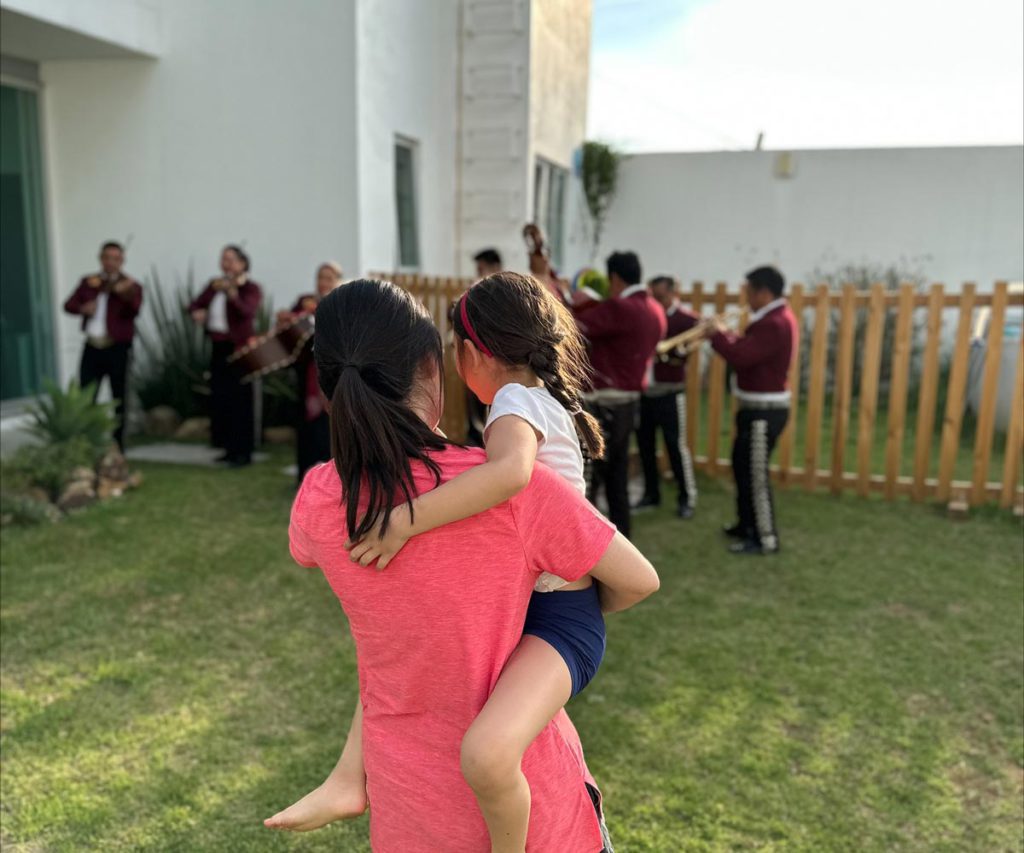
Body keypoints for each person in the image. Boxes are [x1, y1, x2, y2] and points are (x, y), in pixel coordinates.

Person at [264, 279, 659, 852]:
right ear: (432, 369)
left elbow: (310, 553)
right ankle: (347, 777)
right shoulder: (516, 495)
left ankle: (349, 777)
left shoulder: (321, 502)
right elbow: (638, 579)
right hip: (543, 820)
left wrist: (404, 520)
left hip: (407, 815)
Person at [570, 251, 666, 540]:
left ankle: (586, 540)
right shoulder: (655, 309)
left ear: (614, 278)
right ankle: (623, 539)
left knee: (589, 478)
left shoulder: (621, 308)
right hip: (629, 402)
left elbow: (574, 324)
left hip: (604, 404)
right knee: (618, 477)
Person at [707, 266, 797, 555]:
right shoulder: (769, 319)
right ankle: (746, 525)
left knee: (755, 475)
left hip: (764, 412)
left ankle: (764, 538)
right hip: (754, 408)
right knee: (742, 468)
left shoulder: (775, 322)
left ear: (764, 292)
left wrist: (718, 336)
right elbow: (749, 348)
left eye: (748, 291)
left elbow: (742, 356)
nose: (745, 298)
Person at [63, 241, 142, 450]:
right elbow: (68, 305)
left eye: (116, 259)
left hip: (117, 347)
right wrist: (83, 308)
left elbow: (134, 310)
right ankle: (87, 440)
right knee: (86, 395)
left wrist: (123, 293)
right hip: (92, 346)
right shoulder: (89, 282)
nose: (111, 262)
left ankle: (118, 443)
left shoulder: (132, 285)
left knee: (119, 395)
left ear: (122, 261)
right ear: (101, 259)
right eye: (107, 258)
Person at [188, 245, 262, 468]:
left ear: (242, 264)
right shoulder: (215, 285)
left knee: (241, 400)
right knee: (222, 397)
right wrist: (196, 312)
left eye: (231, 260)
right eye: (224, 259)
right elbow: (194, 303)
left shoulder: (250, 287)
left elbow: (246, 312)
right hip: (218, 345)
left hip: (239, 348)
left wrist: (232, 294)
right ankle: (228, 448)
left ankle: (243, 451)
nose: (226, 264)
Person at [635, 275, 700, 519]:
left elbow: (691, 345)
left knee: (675, 446)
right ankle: (651, 494)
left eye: (661, 298)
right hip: (644, 392)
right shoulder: (647, 317)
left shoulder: (686, 319)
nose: (657, 303)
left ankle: (687, 497)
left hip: (670, 392)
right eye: (653, 298)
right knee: (645, 446)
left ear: (674, 294)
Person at [276, 262, 344, 484]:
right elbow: (290, 332)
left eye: (328, 277)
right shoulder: (304, 301)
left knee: (328, 427)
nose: (323, 282)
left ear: (337, 281)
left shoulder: (341, 303)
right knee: (306, 424)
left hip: (332, 376)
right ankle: (304, 477)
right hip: (306, 373)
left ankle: (329, 481)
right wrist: (285, 320)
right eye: (320, 277)